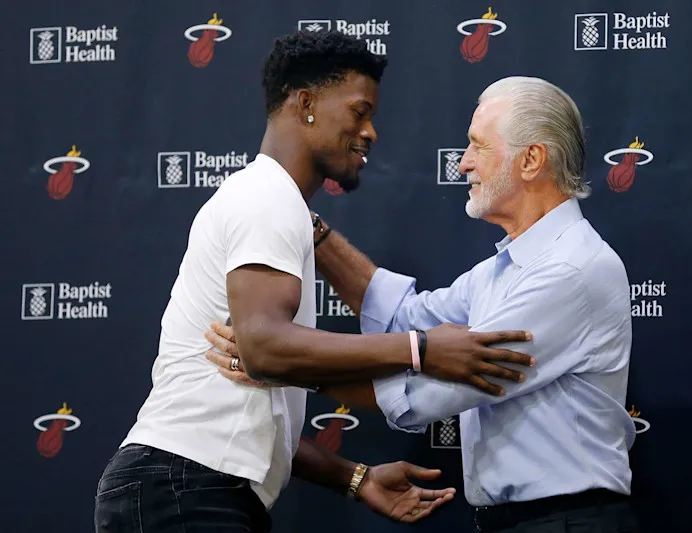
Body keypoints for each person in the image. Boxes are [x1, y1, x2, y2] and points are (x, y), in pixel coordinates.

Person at [94, 31, 535, 533]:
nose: (370, 132)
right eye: (358, 111)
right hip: (184, 487)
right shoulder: (268, 197)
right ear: (306, 103)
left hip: (188, 487)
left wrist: (354, 477)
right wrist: (421, 349)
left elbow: (259, 392)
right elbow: (265, 350)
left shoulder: (280, 205)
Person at [205, 76, 643, 533]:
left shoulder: (568, 271)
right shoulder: (509, 268)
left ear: (531, 160)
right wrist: (306, 225)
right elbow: (403, 318)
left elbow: (425, 392)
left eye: (477, 147)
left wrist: (280, 362)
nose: (464, 165)